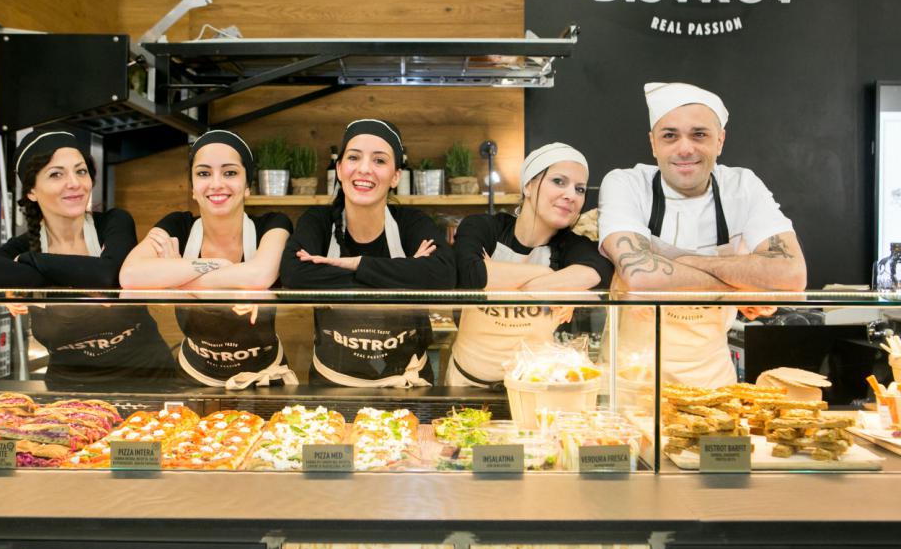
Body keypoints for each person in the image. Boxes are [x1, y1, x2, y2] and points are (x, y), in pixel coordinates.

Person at [598, 82, 807, 387]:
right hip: (629, 384)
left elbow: (792, 275)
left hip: (713, 384)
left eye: (699, 135)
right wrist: (741, 286)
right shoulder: (626, 184)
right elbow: (641, 275)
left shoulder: (743, 186)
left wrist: (671, 265)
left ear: (720, 141)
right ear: (653, 144)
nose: (685, 148)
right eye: (670, 136)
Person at [0, 128, 176, 384]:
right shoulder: (25, 244)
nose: (74, 182)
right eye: (56, 174)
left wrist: (31, 267)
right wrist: (75, 275)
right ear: (31, 192)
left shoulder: (113, 223)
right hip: (70, 393)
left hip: (150, 380)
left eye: (80, 171)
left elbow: (108, 277)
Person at [279, 119, 456, 387]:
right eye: (353, 157)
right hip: (332, 385)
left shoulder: (411, 222)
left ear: (396, 175)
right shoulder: (319, 221)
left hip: (407, 385)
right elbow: (294, 274)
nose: (364, 169)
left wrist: (355, 264)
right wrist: (407, 270)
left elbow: (442, 276)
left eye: (380, 161)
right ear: (339, 169)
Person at [119, 129, 297, 388]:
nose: (216, 184)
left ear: (248, 185)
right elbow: (130, 277)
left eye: (230, 173)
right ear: (193, 188)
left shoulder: (272, 225)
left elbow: (260, 275)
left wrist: (177, 281)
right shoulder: (177, 225)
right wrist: (221, 269)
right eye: (203, 173)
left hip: (263, 381)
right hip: (193, 378)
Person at [448, 143, 614, 387]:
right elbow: (472, 273)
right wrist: (547, 275)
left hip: (533, 387)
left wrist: (502, 277)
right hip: (465, 384)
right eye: (559, 181)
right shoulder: (484, 228)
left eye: (579, 189)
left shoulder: (573, 246)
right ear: (528, 185)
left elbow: (601, 271)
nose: (571, 195)